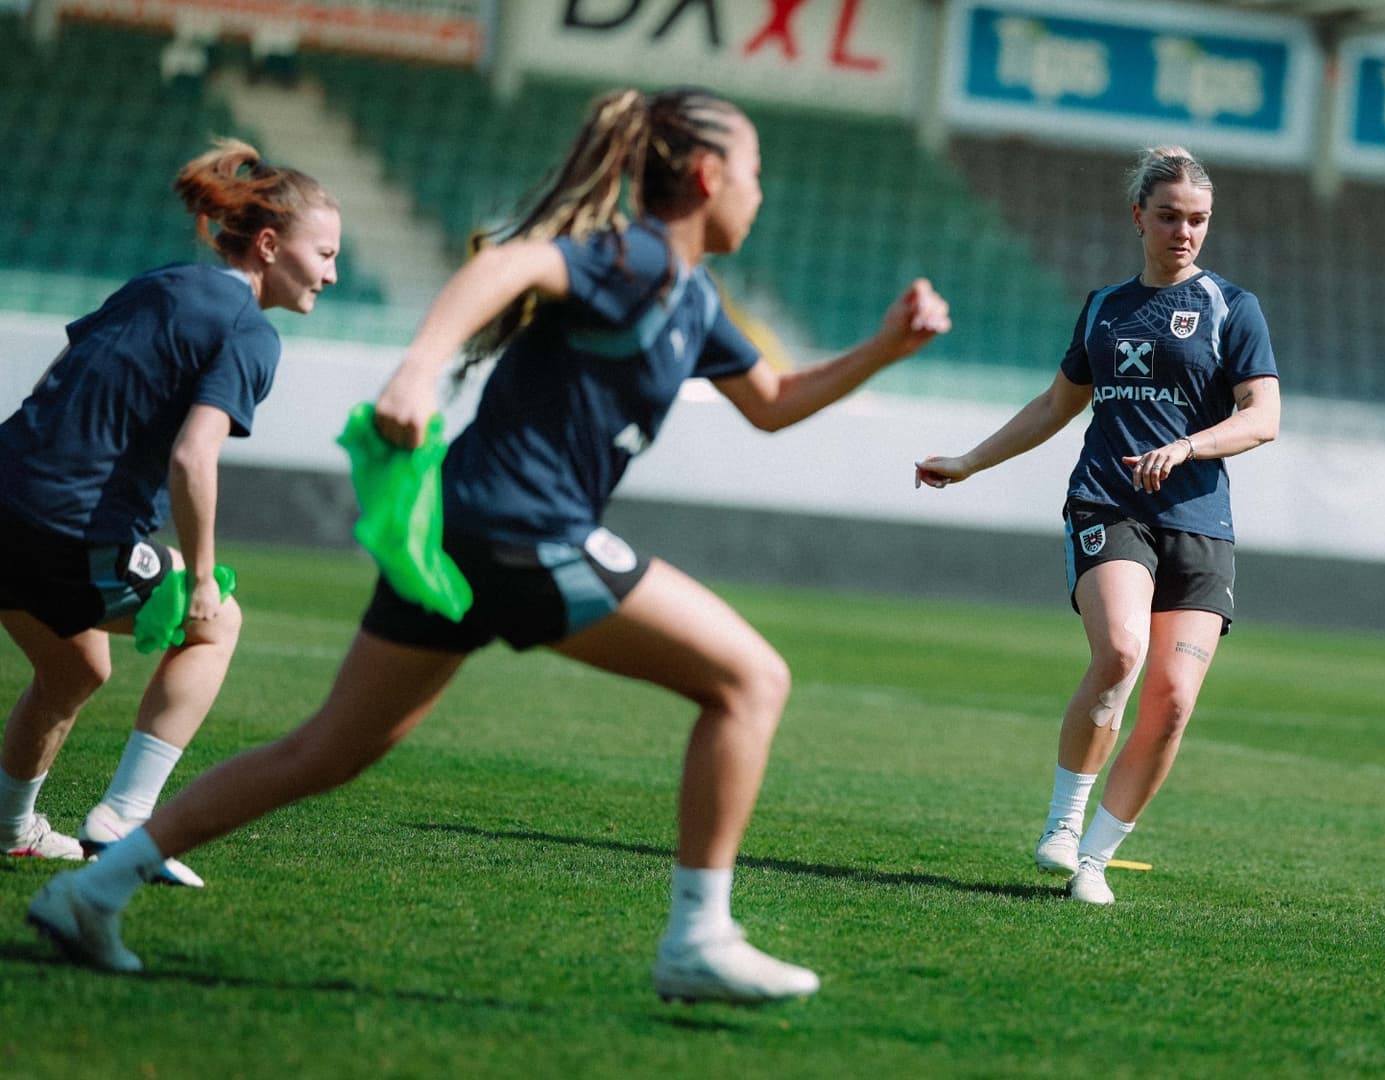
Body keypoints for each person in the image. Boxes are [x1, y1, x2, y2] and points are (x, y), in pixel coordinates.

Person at [29, 87, 950, 1004]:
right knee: (752, 680)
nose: (762, 190)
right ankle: (698, 937)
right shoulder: (629, 258)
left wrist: (883, 348)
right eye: (755, 171)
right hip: (520, 530)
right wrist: (418, 371)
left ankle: (91, 892)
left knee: (328, 751)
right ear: (709, 177)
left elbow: (775, 403)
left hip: (459, 536)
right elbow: (506, 267)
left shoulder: (691, 295)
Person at [914, 146, 1280, 905]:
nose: (1185, 232)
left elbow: (1264, 417)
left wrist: (1188, 445)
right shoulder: (1104, 307)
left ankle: (1094, 861)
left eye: (1199, 220)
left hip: (1200, 520)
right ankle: (1061, 821)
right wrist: (970, 460)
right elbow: (1056, 407)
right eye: (1171, 216)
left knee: (1174, 700)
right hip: (1108, 503)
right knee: (1120, 651)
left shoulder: (1232, 308)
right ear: (1138, 217)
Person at [1, 140, 340, 887]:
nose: (333, 272)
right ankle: (125, 817)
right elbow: (194, 457)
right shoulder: (250, 330)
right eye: (324, 253)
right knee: (218, 620)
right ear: (270, 243)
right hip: (67, 524)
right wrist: (206, 579)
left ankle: (11, 828)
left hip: (6, 495)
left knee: (76, 667)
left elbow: (66, 367)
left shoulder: (163, 282)